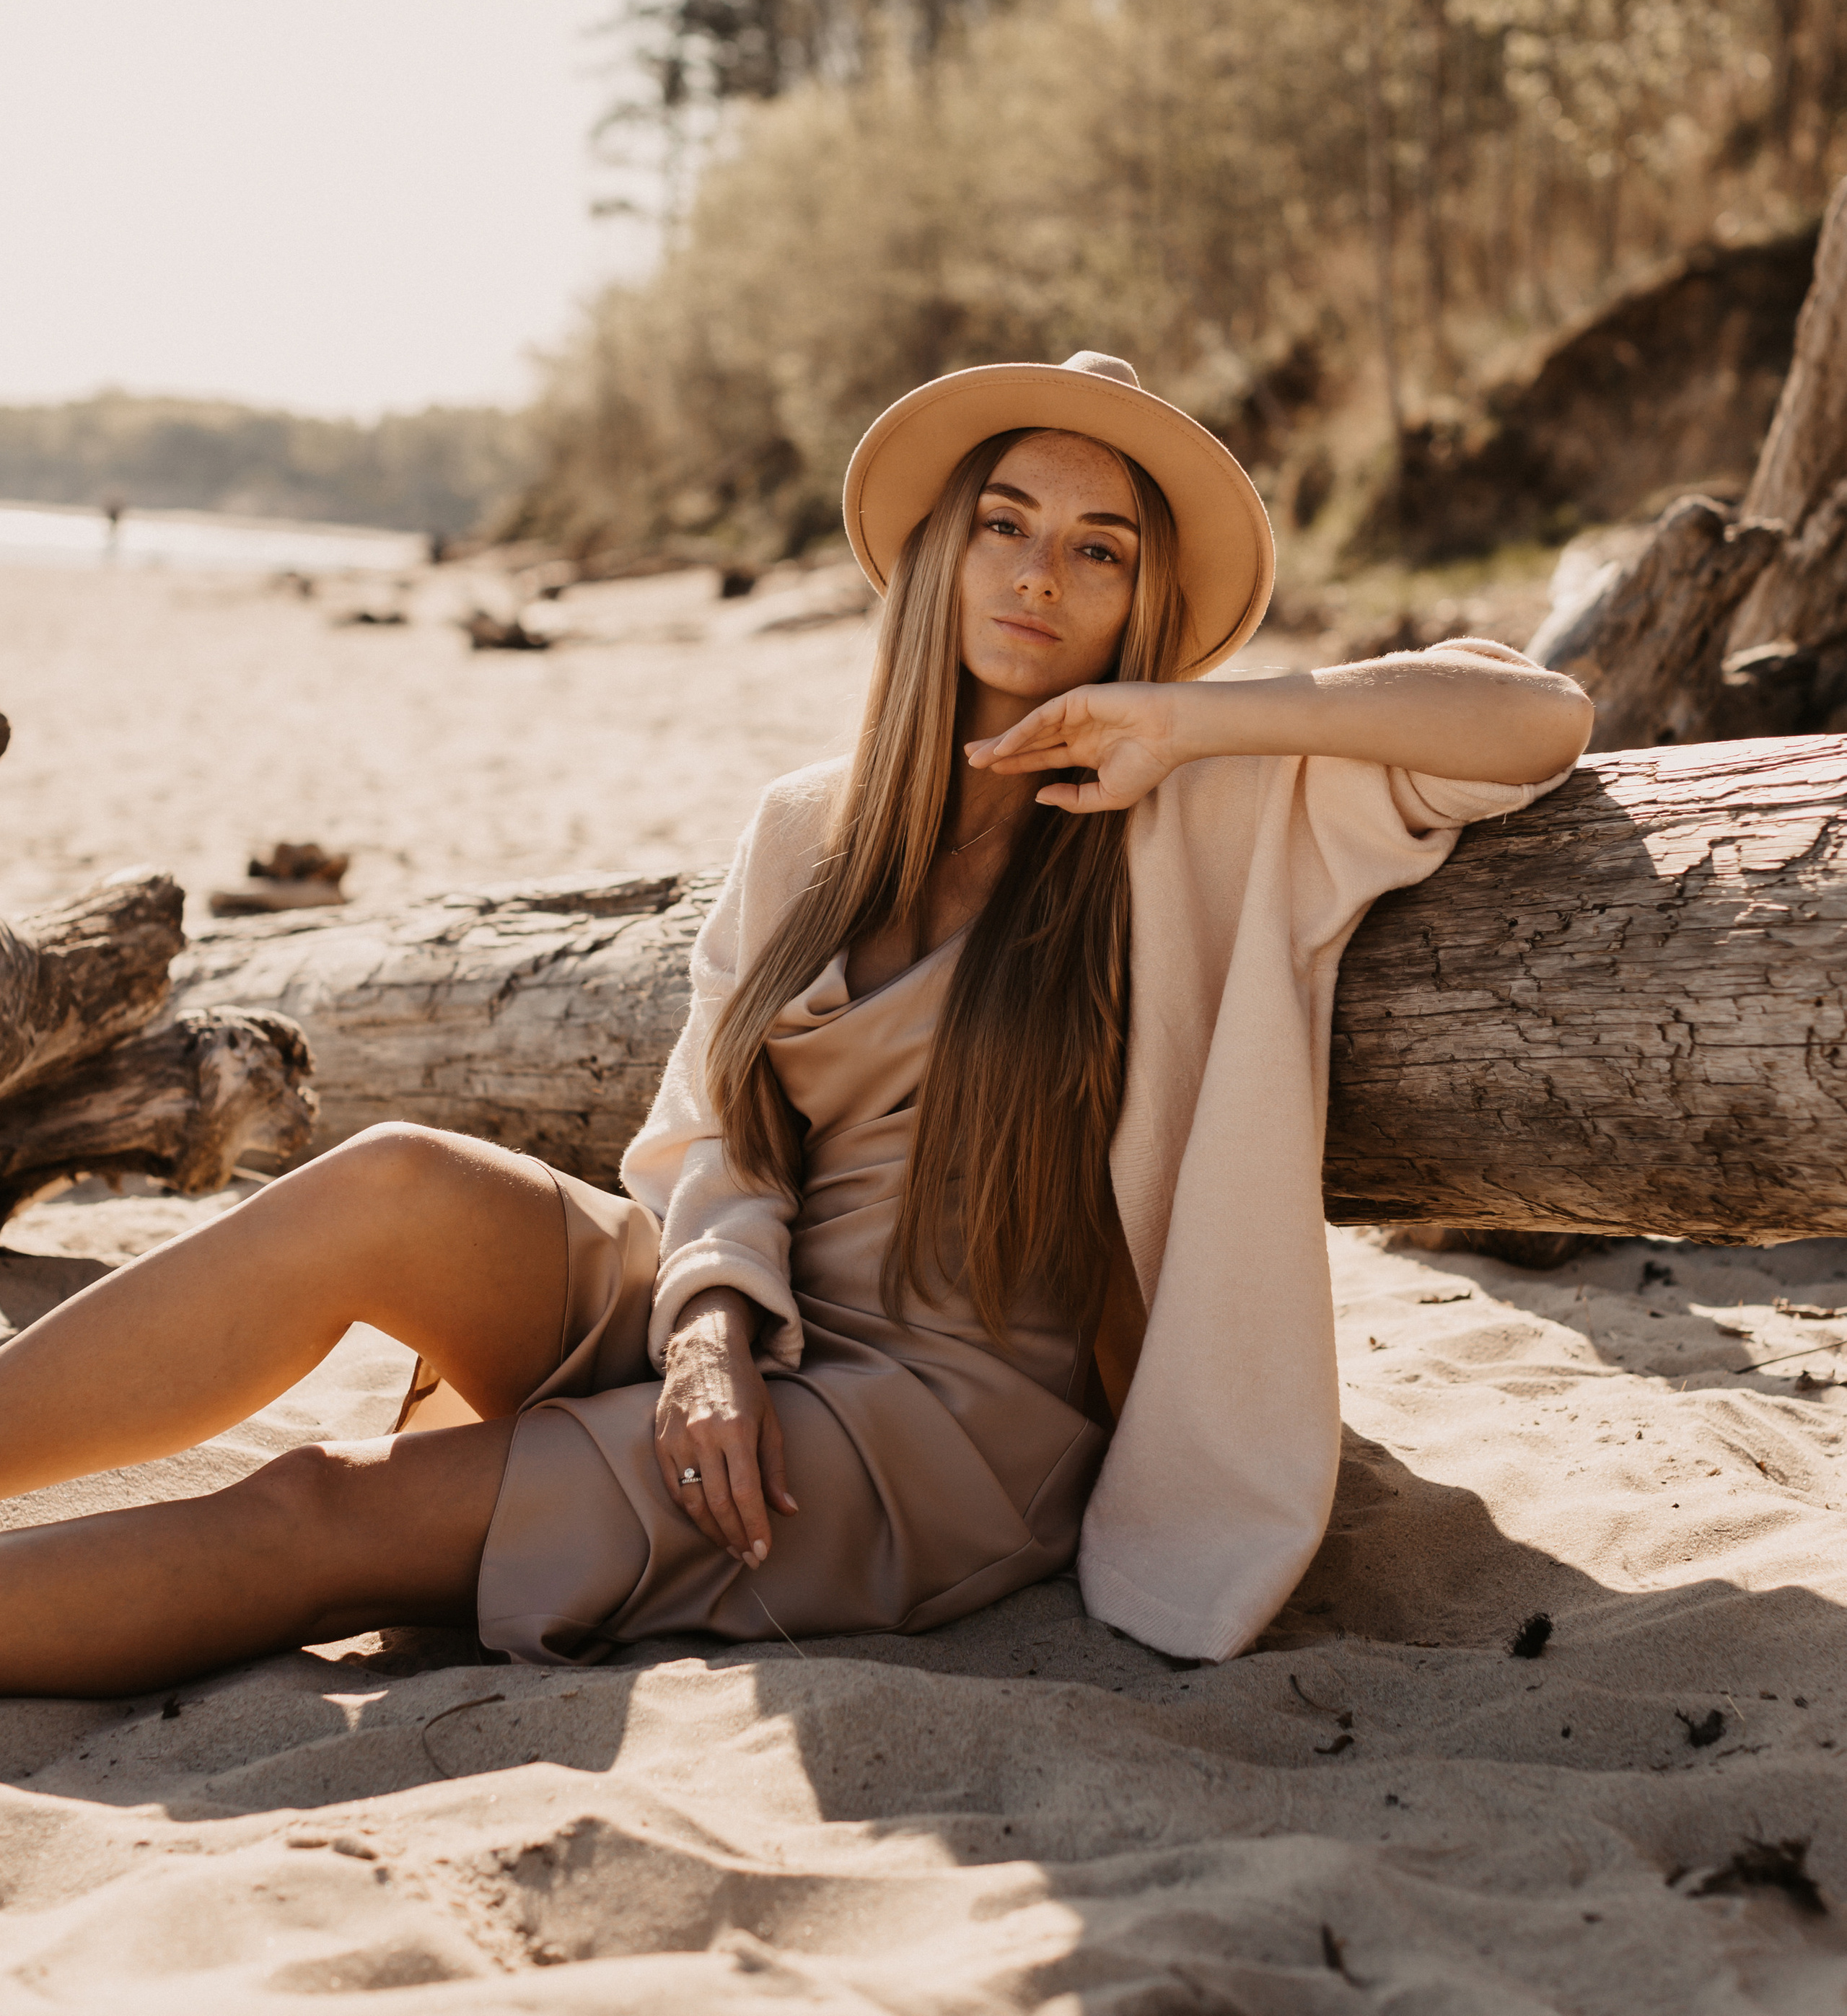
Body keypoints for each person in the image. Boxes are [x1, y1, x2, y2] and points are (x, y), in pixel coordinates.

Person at [0, 354, 1592, 1695]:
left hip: (941, 1423)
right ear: (938, 556)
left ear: (1142, 598)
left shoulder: (1199, 817)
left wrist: (1196, 718)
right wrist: (703, 1332)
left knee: (320, 1510)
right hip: (739, 1306)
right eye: (1005, 524)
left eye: (1100, 550)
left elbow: (1532, 719)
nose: (1040, 573)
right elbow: (711, 1136)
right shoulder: (808, 829)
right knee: (395, 1178)